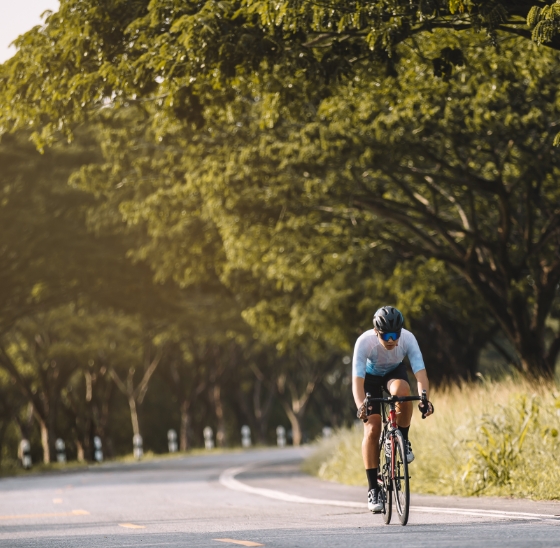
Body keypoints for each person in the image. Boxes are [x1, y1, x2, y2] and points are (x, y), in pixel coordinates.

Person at [352, 306, 434, 513]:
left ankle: (402, 441)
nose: (390, 340)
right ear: (375, 331)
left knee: (403, 392)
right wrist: (361, 406)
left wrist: (425, 399)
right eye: (385, 335)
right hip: (369, 380)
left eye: (394, 335)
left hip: (393, 373)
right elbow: (357, 382)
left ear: (400, 332)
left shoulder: (408, 339)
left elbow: (420, 373)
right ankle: (373, 489)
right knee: (373, 427)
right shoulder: (364, 342)